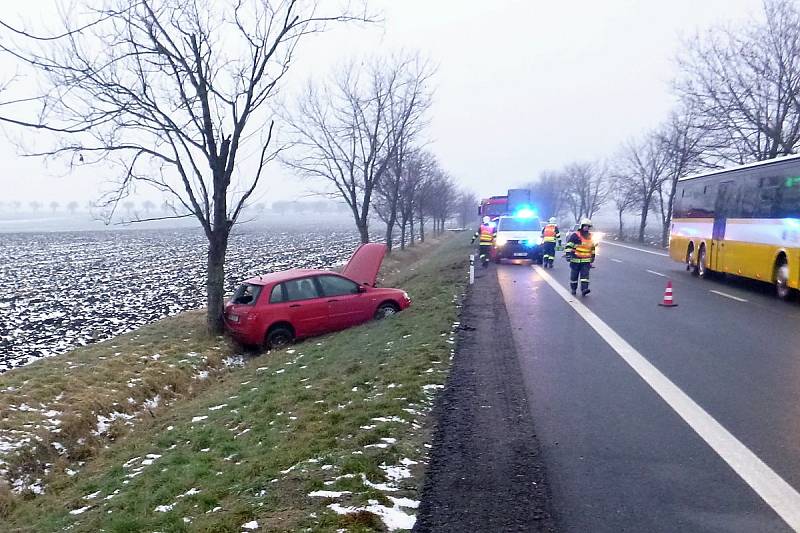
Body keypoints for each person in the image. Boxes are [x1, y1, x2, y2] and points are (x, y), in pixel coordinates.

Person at [564, 218, 596, 296]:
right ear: (582, 226)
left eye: (588, 226)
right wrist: (568, 255)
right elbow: (569, 245)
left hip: (586, 261)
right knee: (574, 277)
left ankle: (584, 289)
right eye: (585, 226)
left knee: (585, 277)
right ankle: (573, 289)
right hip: (575, 260)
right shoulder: (575, 235)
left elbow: (593, 248)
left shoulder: (591, 236)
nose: (587, 228)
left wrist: (593, 257)